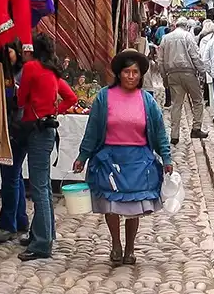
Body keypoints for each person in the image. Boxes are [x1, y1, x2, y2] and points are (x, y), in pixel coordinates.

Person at [72, 50, 173, 266]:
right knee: (111, 205)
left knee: (133, 206)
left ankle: (130, 247)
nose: (130, 76)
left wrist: (166, 157)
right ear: (119, 74)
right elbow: (92, 129)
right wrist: (83, 155)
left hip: (137, 161)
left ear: (140, 75)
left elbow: (159, 131)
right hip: (110, 159)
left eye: (135, 72)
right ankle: (116, 244)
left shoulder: (147, 101)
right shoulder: (104, 98)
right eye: (126, 72)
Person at [16, 33, 78, 261]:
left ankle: (42, 244)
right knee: (42, 185)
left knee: (39, 187)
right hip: (48, 129)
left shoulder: (31, 68)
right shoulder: (53, 72)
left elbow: (21, 99)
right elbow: (70, 97)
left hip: (35, 129)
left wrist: (37, 109)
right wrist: (54, 111)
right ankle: (43, 233)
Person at [0, 39, 29, 244]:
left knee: (10, 177)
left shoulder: (23, 73)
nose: (7, 53)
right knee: (14, 175)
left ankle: (7, 225)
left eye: (10, 50)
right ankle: (20, 219)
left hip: (17, 129)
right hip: (7, 128)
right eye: (3, 49)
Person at [160, 17, 208, 144]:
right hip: (188, 73)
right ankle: (196, 128)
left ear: (175, 25)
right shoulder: (187, 36)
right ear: (186, 26)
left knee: (176, 104)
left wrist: (164, 77)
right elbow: (194, 55)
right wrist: (202, 71)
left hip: (172, 74)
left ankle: (174, 135)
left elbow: (160, 60)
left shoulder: (166, 38)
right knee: (197, 101)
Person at [197, 19, 214, 107]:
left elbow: (202, 55)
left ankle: (212, 105)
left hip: (209, 68)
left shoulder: (203, 39)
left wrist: (205, 70)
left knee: (211, 88)